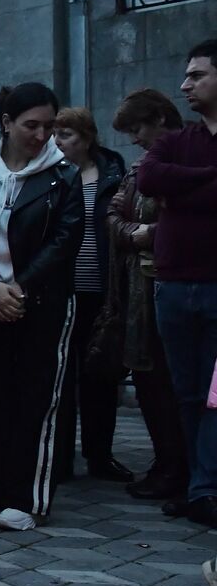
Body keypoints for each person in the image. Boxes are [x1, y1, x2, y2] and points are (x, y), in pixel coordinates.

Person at [0, 83, 83, 532]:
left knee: (37, 398)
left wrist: (18, 288)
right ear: (6, 124)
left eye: (49, 126)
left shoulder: (62, 177)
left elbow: (66, 240)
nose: (42, 134)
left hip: (41, 301)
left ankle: (29, 495)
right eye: (31, 125)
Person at [138, 39, 217, 527]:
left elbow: (166, 183)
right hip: (172, 286)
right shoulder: (176, 140)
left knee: (215, 395)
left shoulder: (178, 154)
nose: (185, 85)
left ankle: (206, 486)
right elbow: (149, 179)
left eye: (197, 75)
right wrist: (208, 175)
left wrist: (181, 186)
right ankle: (197, 486)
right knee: (186, 392)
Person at [108, 88, 188, 507]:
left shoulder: (190, 155)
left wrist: (153, 235)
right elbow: (115, 214)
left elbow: (193, 216)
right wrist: (134, 235)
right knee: (149, 380)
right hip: (140, 290)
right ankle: (167, 461)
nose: (134, 138)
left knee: (181, 384)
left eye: (138, 128)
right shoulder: (140, 167)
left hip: (180, 284)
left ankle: (186, 467)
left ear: (159, 119)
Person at [52, 107, 132, 483]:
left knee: (101, 375)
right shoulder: (51, 175)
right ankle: (60, 457)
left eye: (65, 135)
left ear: (86, 138)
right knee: (61, 378)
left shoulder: (112, 174)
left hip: (102, 291)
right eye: (55, 134)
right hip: (61, 292)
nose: (57, 142)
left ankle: (100, 455)